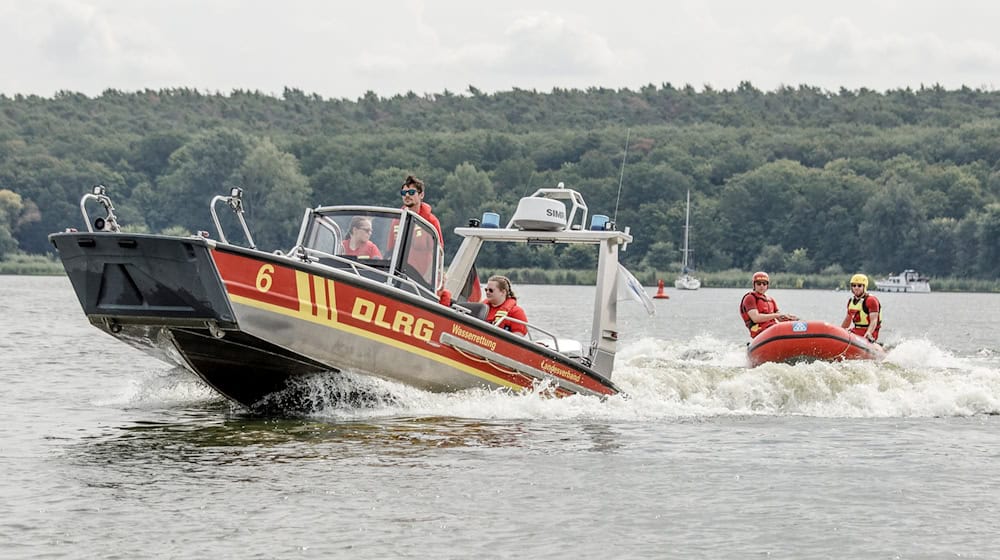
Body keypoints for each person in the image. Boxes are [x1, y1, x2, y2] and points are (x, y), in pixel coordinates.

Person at [739, 271, 798, 338]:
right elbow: (756, 318)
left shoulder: (770, 300)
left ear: (767, 286)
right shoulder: (750, 298)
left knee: (791, 326)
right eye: (758, 283)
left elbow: (779, 318)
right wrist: (777, 315)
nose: (761, 286)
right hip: (760, 333)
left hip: (772, 328)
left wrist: (791, 319)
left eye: (764, 283)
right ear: (754, 285)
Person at [399, 175, 443, 245]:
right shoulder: (397, 221)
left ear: (421, 195)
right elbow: (389, 251)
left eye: (411, 192)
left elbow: (439, 252)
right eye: (403, 193)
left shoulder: (431, 222)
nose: (407, 195)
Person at [841, 273, 882, 343]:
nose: (856, 288)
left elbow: (874, 321)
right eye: (854, 285)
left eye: (859, 285)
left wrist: (869, 333)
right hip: (856, 330)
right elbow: (848, 320)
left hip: (870, 332)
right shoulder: (851, 301)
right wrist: (840, 331)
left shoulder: (871, 300)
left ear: (864, 287)